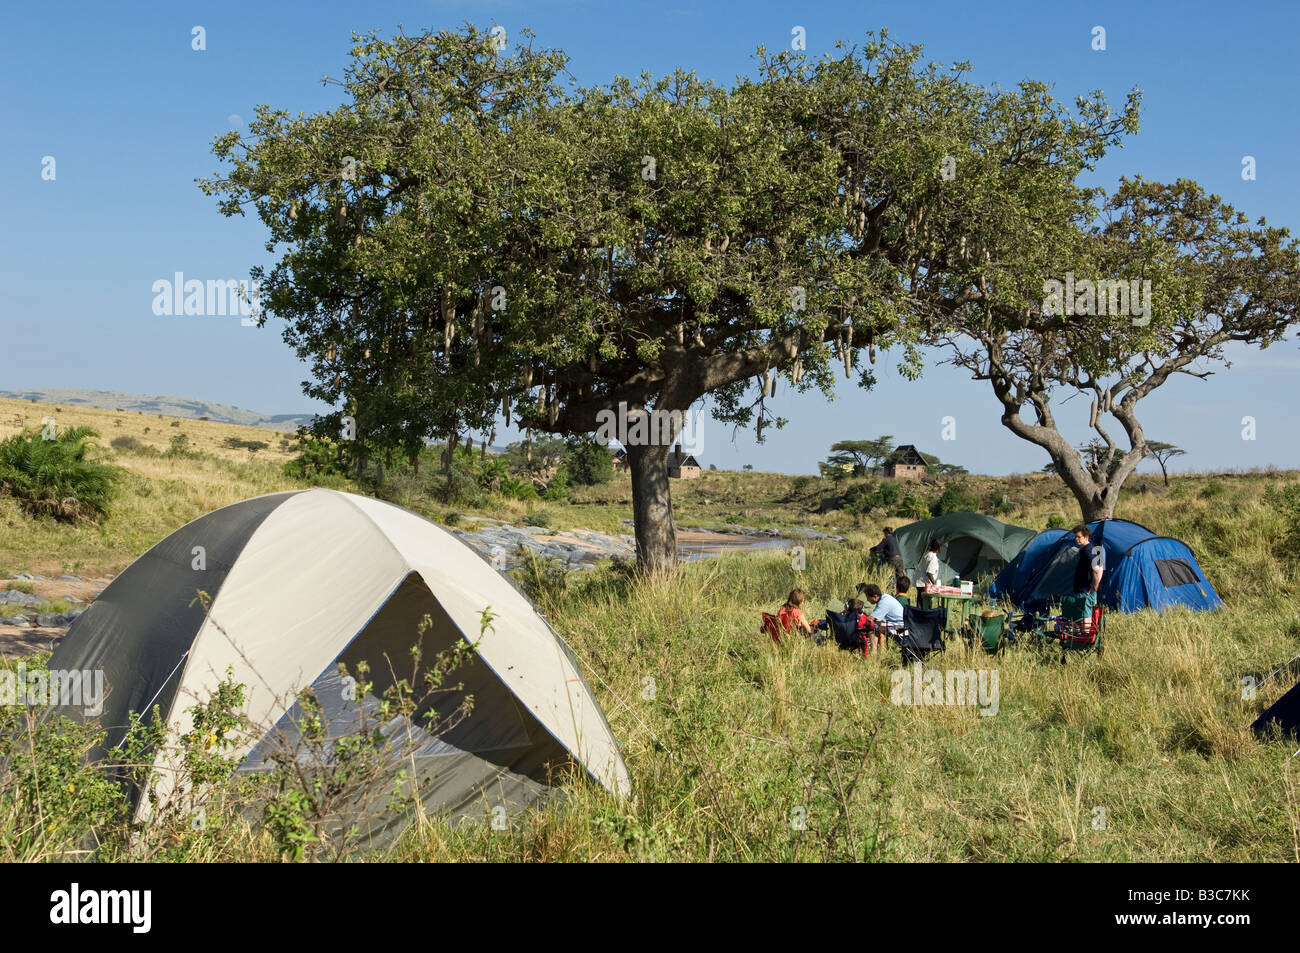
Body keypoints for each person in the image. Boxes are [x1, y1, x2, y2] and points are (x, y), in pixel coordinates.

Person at [858, 583, 903, 657]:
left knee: (873, 626)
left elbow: (870, 619)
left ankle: (874, 653)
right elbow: (876, 618)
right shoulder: (884, 597)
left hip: (900, 626)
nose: (867, 599)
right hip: (897, 623)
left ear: (875, 597)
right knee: (878, 624)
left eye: (868, 597)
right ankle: (881, 652)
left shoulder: (883, 602)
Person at [1071, 524, 1105, 612]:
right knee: (1084, 615)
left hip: (1085, 590)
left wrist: (1094, 587)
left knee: (1084, 616)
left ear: (1086, 537)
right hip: (1084, 590)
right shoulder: (1089, 549)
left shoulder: (1087, 551)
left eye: (1078, 537)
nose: (1076, 539)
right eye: (1075, 537)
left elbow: (1098, 569)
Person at [872, 527, 908, 592]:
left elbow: (878, 547)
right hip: (900, 558)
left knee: (891, 576)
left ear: (886, 532)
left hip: (892, 559)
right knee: (900, 576)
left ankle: (891, 591)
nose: (884, 534)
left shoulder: (886, 539)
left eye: (884, 533)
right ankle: (901, 591)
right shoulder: (894, 539)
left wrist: (872, 549)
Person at [914, 538, 942, 603]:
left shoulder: (927, 554)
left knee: (920, 601)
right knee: (926, 603)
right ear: (939, 547)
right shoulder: (933, 557)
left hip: (920, 582)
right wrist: (935, 584)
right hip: (924, 583)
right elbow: (929, 572)